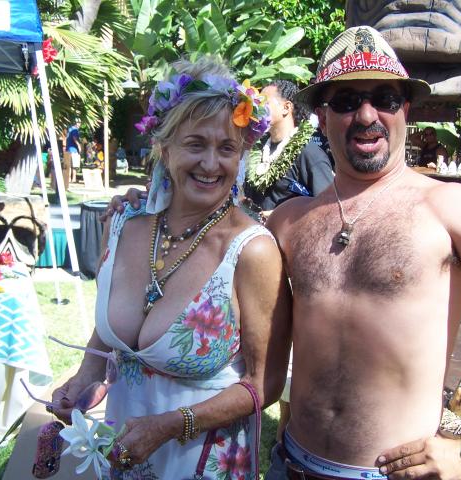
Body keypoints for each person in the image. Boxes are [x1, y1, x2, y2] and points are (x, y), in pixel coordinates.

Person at [263, 25, 461, 480]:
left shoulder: (450, 208)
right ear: (321, 114)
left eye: (385, 99)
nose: (367, 115)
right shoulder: (290, 221)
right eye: (346, 101)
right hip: (292, 465)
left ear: (406, 110)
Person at [49, 56, 291, 479]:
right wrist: (84, 378)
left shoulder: (252, 251)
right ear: (165, 147)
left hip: (199, 463)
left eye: (227, 148)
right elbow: (111, 336)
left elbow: (264, 384)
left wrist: (172, 425)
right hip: (123, 458)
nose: (211, 163)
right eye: (195, 144)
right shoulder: (123, 226)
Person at [244, 79, 333, 217]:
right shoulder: (256, 150)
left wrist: (277, 215)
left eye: (264, 102)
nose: (258, 108)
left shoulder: (310, 153)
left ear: (286, 107)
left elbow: (327, 207)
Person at [65, 118, 82, 183]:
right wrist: (79, 146)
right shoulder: (75, 130)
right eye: (78, 123)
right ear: (75, 123)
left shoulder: (70, 129)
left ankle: (68, 178)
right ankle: (73, 178)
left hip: (68, 149)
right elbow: (74, 138)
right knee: (74, 165)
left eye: (79, 123)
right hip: (73, 149)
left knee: (69, 165)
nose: (79, 124)